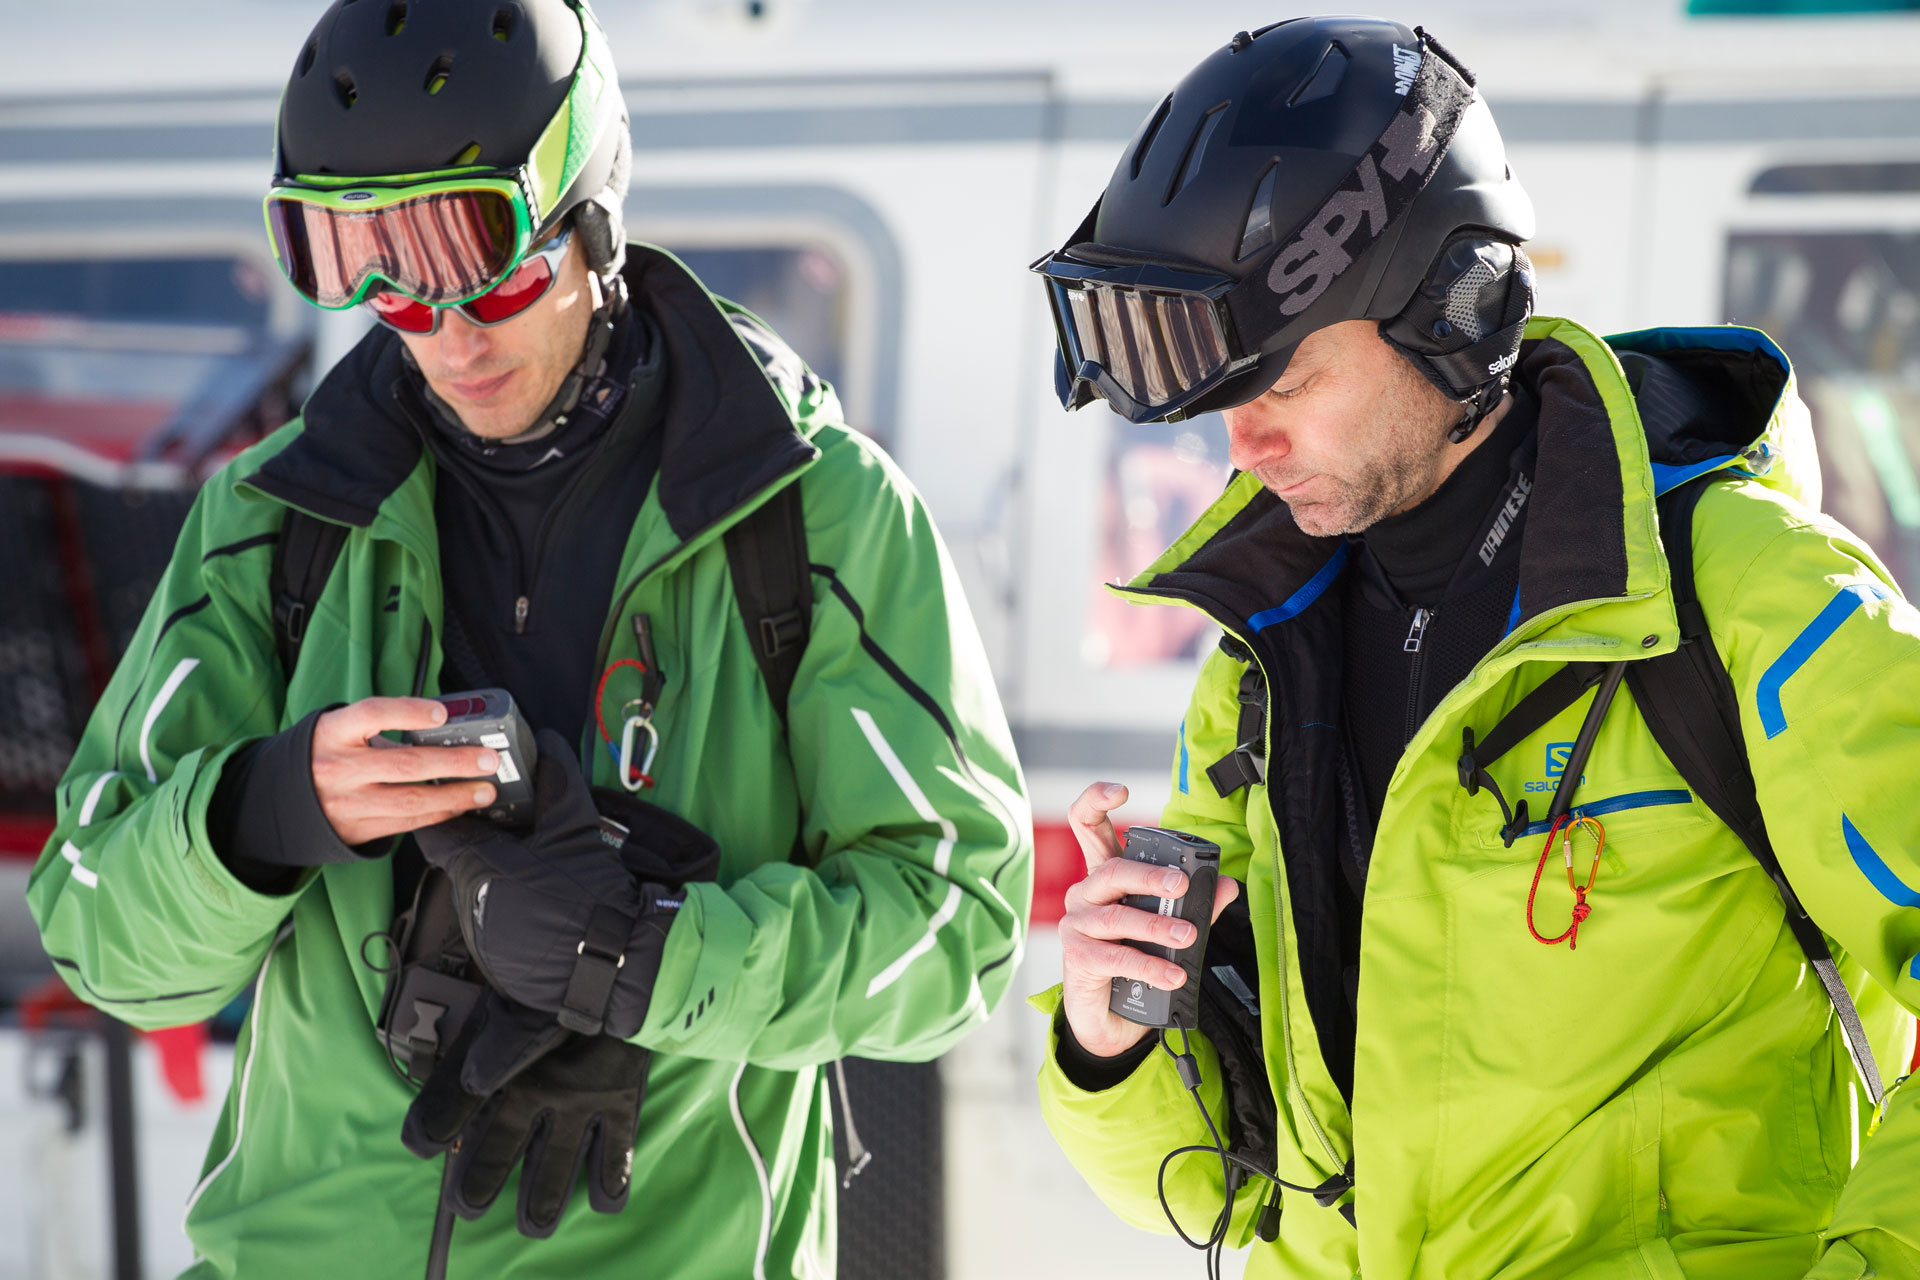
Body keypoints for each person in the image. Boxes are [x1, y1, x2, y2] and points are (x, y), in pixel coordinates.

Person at [28, 1, 1031, 1276]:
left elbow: (958, 927)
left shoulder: (813, 513)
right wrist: (266, 810)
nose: (445, 334)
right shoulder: (276, 524)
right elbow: (96, 925)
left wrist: (648, 957)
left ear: (592, 217)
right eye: (373, 274)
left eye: (481, 260)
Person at [1030, 17, 1920, 1280]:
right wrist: (1106, 1036)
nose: (1244, 448)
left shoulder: (1739, 593)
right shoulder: (1265, 661)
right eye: (1226, 403)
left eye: (1282, 386)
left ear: (1451, 312)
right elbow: (1226, 1188)